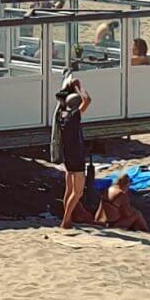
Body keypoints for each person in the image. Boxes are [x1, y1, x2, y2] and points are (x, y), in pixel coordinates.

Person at [56, 75, 92, 229]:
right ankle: (66, 220)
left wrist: (68, 86)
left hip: (67, 155)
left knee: (69, 190)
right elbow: (88, 100)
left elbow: (62, 98)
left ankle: (67, 218)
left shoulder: (61, 114)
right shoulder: (74, 116)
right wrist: (79, 86)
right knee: (77, 192)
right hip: (76, 155)